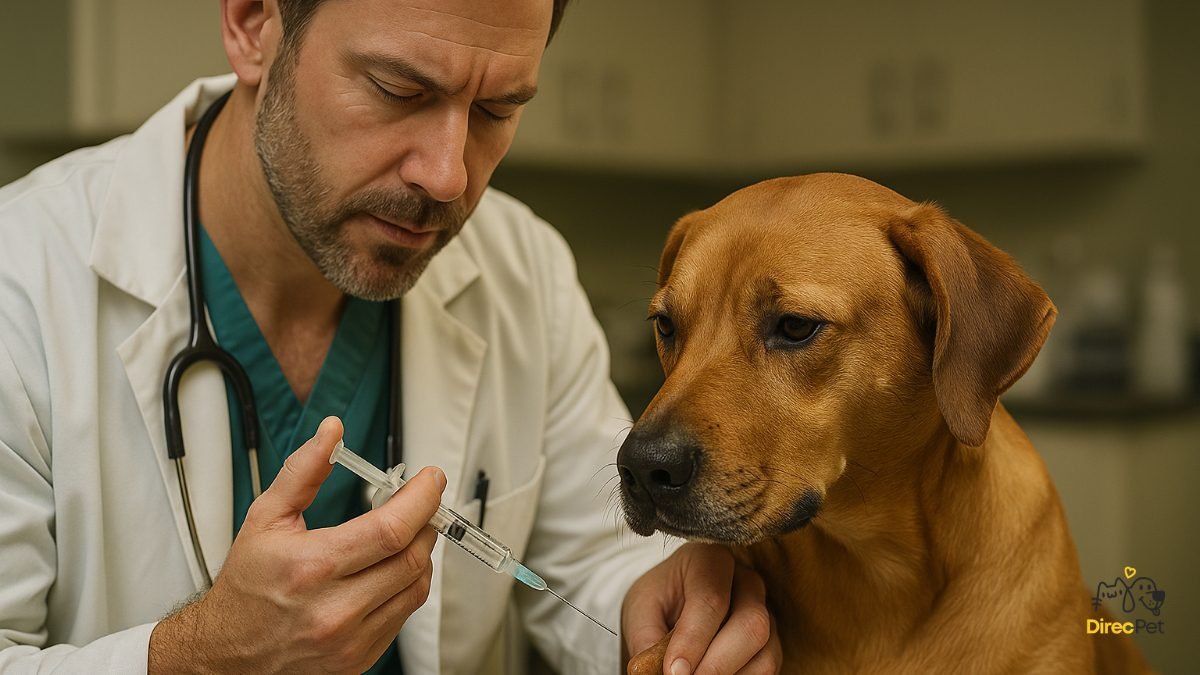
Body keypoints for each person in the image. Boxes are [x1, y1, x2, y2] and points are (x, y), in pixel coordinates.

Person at [0, 0, 782, 673]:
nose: (448, 175)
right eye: (398, 89)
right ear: (252, 23)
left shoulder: (523, 271)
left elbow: (590, 564)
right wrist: (199, 654)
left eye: (496, 111)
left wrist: (660, 602)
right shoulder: (23, 286)